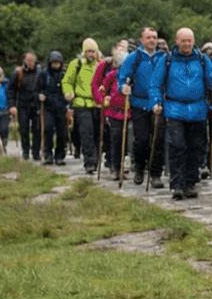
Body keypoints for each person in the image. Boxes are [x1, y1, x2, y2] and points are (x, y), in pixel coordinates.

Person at [157, 28, 212, 200]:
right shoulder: (167, 60)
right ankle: (177, 184)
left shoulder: (202, 60)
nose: (186, 44)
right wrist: (156, 101)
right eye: (183, 40)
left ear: (193, 41)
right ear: (177, 41)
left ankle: (190, 183)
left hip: (198, 110)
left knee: (196, 148)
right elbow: (156, 84)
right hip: (174, 109)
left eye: (189, 41)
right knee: (177, 146)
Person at [121, 30, 169, 186]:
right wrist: (123, 87)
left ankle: (156, 174)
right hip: (139, 104)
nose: (152, 40)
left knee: (158, 139)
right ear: (141, 39)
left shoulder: (163, 57)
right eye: (148, 37)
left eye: (154, 37)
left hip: (159, 105)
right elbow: (122, 77)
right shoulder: (134, 57)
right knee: (141, 140)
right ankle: (140, 168)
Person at [64, 39, 105, 173]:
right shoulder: (76, 65)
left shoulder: (101, 64)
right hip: (81, 103)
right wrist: (68, 93)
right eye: (88, 51)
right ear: (83, 52)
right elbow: (67, 81)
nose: (91, 54)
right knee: (86, 132)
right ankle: (90, 162)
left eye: (93, 51)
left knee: (99, 133)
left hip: (98, 104)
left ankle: (97, 158)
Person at [93, 41, 129, 178]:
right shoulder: (112, 75)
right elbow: (102, 89)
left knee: (125, 141)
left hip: (128, 112)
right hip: (113, 112)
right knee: (115, 139)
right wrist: (104, 100)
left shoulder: (132, 78)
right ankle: (115, 166)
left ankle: (123, 165)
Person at [35, 51, 69, 165]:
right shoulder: (43, 74)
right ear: (50, 63)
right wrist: (39, 95)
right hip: (48, 107)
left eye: (57, 63)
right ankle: (47, 155)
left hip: (61, 107)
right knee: (48, 130)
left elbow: (68, 88)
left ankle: (60, 156)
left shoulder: (64, 75)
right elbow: (36, 89)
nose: (56, 65)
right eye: (53, 63)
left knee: (61, 133)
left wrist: (68, 97)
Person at [11, 51, 39, 161]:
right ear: (25, 61)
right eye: (28, 61)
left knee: (37, 129)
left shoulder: (39, 72)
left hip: (36, 104)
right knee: (24, 129)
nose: (30, 63)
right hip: (23, 104)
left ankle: (36, 152)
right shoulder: (18, 73)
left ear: (35, 61)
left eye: (32, 61)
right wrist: (12, 106)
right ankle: (26, 151)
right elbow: (12, 90)